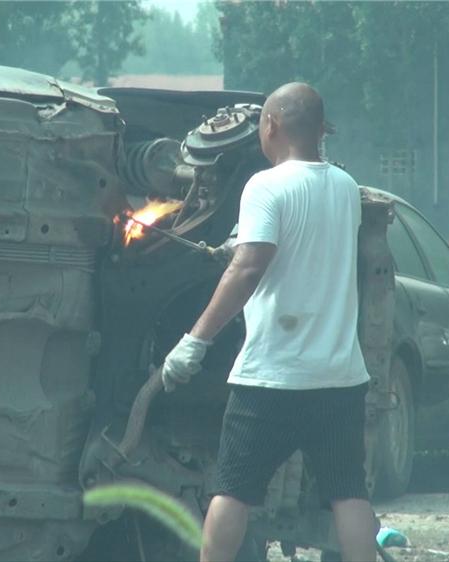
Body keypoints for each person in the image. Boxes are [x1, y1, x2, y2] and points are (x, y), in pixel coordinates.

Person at [160, 82, 377, 562]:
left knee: (233, 489)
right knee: (348, 491)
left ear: (271, 125)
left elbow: (249, 267)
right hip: (340, 376)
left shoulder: (264, 185)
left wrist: (194, 342)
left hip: (272, 377)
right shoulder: (344, 186)